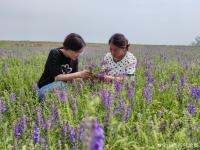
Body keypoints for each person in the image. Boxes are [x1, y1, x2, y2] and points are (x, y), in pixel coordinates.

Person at [37, 33, 91, 100]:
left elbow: (73, 78)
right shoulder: (55, 53)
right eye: (77, 52)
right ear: (68, 48)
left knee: (71, 87)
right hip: (46, 87)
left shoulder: (74, 58)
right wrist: (79, 74)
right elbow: (57, 77)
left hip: (62, 87)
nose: (78, 55)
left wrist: (85, 78)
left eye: (80, 52)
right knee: (61, 84)